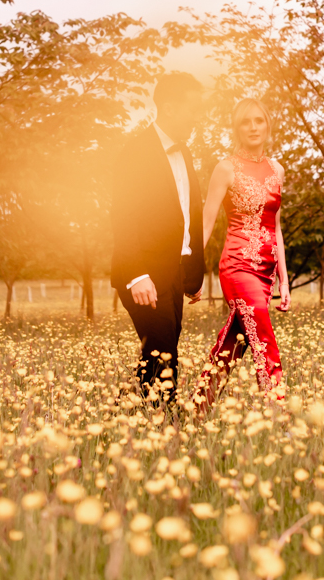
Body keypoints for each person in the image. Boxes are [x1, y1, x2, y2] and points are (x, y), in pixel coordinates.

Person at [111, 72, 206, 405]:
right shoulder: (136, 151)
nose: (197, 117)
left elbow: (188, 213)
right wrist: (137, 274)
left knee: (161, 352)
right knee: (164, 352)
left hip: (174, 269)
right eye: (192, 109)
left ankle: (128, 411)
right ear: (169, 105)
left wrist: (192, 273)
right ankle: (167, 425)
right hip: (143, 273)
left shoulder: (185, 153)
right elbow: (122, 218)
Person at [192, 98, 289, 413]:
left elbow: (275, 226)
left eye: (259, 121)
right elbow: (206, 222)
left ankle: (198, 407)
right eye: (246, 122)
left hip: (266, 271)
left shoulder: (277, 169)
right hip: (237, 266)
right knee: (262, 334)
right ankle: (278, 407)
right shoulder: (225, 168)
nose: (253, 127)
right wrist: (191, 271)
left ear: (267, 125)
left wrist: (284, 280)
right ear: (236, 128)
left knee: (236, 339)